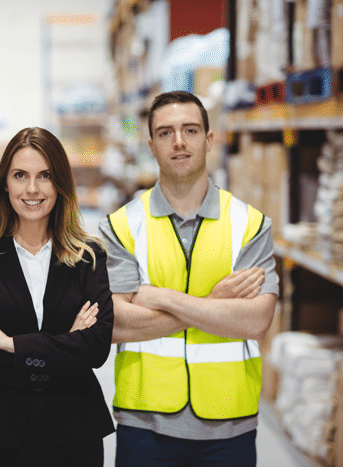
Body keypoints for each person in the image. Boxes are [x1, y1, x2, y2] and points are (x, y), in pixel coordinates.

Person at [99, 90, 279, 466]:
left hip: (229, 425)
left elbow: (256, 320)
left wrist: (160, 297)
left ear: (209, 139)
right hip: (144, 423)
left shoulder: (249, 224)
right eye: (165, 133)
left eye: (190, 130)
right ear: (151, 145)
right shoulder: (122, 226)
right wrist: (216, 306)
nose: (178, 142)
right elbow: (115, 323)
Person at [0, 127, 115, 466]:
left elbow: (96, 348)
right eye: (20, 175)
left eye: (45, 176)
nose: (32, 189)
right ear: (4, 184)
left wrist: (12, 344)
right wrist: (65, 343)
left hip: (73, 435)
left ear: (61, 184)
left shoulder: (88, 256)